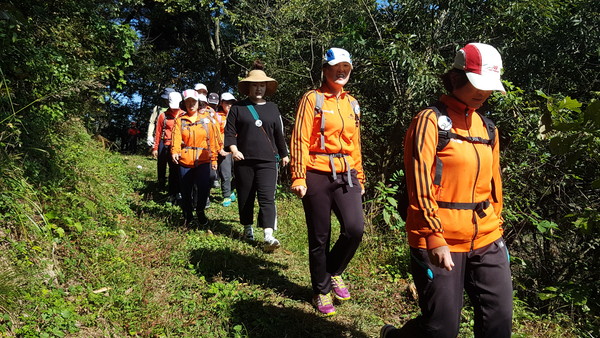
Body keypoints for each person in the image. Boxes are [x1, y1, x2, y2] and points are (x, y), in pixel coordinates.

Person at [380, 43, 512, 338]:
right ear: (456, 78)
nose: (483, 93)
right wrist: (433, 235)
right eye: (477, 85)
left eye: (489, 87)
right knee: (441, 329)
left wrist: (497, 225)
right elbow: (419, 182)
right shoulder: (430, 121)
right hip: (440, 238)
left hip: (487, 237)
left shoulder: (488, 128)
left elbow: (494, 184)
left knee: (499, 322)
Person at [290, 48, 365, 316]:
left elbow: (355, 143)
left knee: (354, 229)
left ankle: (333, 271)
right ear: (325, 70)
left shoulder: (352, 103)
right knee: (320, 236)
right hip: (316, 172)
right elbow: (299, 137)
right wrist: (298, 175)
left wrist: (360, 176)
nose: (342, 71)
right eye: (336, 67)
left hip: (346, 172)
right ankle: (321, 290)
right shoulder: (313, 99)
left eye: (346, 66)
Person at [224, 61, 289, 251]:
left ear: (266, 87)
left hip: (268, 160)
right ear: (248, 87)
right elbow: (229, 132)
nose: (258, 88)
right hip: (244, 160)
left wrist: (284, 154)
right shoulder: (238, 108)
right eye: (255, 85)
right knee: (245, 197)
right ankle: (247, 228)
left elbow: (279, 134)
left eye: (262, 85)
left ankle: (268, 234)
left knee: (267, 197)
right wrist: (234, 150)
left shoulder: (273, 108)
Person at [171, 89, 219, 227]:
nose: (191, 104)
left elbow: (213, 140)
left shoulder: (207, 121)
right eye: (188, 102)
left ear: (198, 103)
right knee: (186, 189)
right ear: (184, 104)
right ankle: (187, 214)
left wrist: (214, 158)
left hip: (203, 159)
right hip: (185, 160)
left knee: (204, 188)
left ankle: (200, 211)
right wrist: (175, 151)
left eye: (194, 101)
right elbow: (176, 138)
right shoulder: (180, 120)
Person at [152, 91, 183, 202]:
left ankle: (179, 192)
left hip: (180, 147)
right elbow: (158, 133)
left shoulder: (184, 115)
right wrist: (155, 148)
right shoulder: (163, 116)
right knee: (172, 170)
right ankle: (171, 192)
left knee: (179, 170)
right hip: (167, 145)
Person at [216, 92, 237, 207]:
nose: (230, 105)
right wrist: (219, 148)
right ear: (221, 103)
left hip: (236, 148)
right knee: (226, 173)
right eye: (227, 102)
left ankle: (232, 189)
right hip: (223, 148)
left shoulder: (236, 114)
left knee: (238, 172)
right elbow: (215, 134)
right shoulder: (217, 116)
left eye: (232, 102)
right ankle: (226, 196)